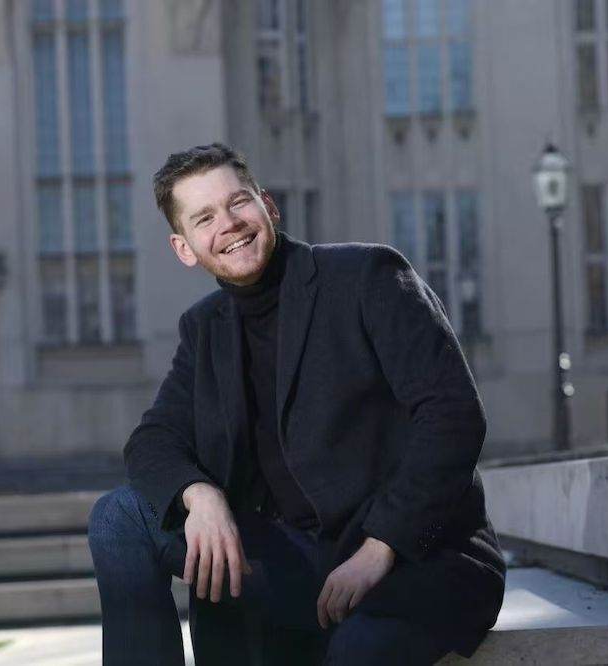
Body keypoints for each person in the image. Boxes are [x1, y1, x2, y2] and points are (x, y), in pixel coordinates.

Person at [87, 143, 505, 665]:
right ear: (184, 247)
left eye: (238, 202)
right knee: (119, 516)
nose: (229, 224)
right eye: (205, 217)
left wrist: (383, 545)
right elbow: (153, 440)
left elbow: (453, 416)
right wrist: (200, 497)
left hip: (410, 562)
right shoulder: (205, 328)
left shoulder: (366, 276)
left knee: (356, 652)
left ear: (268, 205)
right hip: (295, 564)